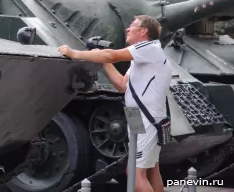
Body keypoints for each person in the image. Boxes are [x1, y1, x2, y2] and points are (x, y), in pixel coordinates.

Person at [57, 15, 171, 192]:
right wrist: (102, 60)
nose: (127, 29)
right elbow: (123, 86)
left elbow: (112, 55)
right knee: (150, 170)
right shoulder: (142, 54)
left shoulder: (148, 48)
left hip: (146, 117)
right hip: (136, 114)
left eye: (132, 25)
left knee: (134, 172)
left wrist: (75, 53)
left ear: (144, 31)